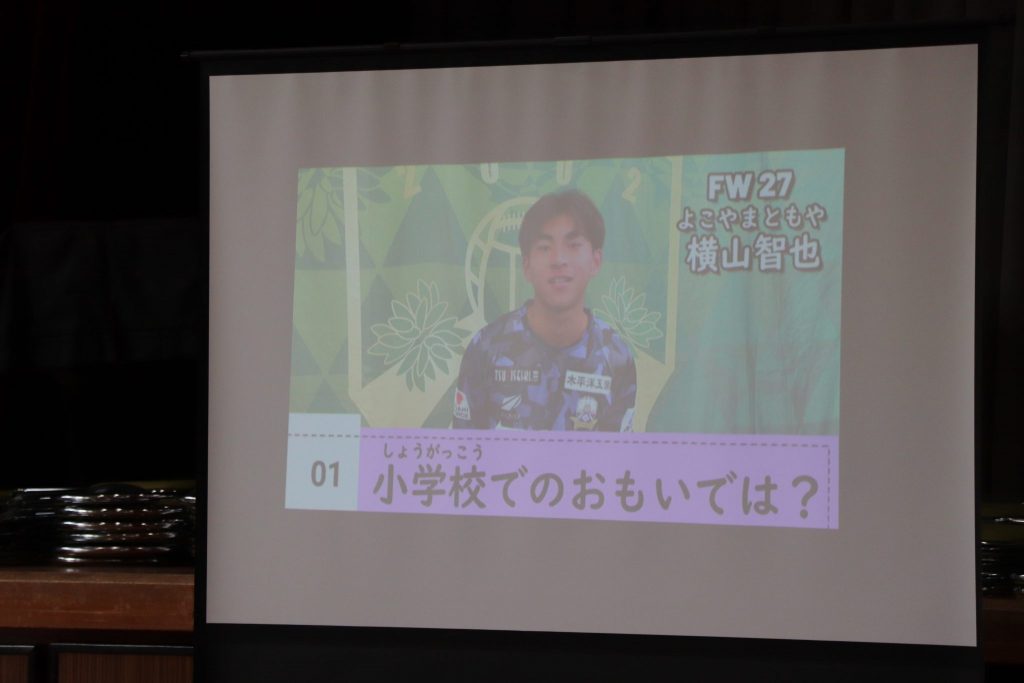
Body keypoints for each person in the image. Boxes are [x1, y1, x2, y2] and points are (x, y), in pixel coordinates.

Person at [453, 190, 636, 431]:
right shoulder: (486, 347)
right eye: (544, 247)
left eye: (573, 245)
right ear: (526, 265)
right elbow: (463, 447)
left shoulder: (616, 357)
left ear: (596, 261)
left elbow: (618, 452)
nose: (558, 259)